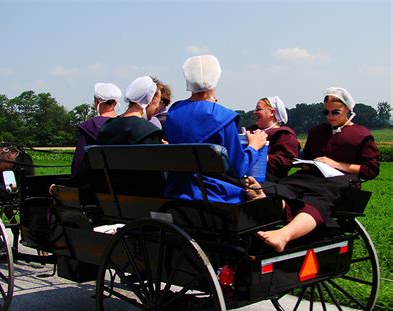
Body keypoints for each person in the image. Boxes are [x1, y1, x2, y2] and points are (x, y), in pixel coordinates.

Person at [246, 87, 380, 252]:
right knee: (285, 186)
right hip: (312, 176)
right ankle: (265, 197)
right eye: (326, 112)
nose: (330, 117)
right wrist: (306, 164)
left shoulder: (361, 135)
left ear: (347, 109)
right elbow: (307, 157)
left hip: (341, 181)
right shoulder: (317, 132)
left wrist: (336, 164)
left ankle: (284, 235)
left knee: (320, 197)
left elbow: (371, 170)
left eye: (335, 112)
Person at [163, 54, 267, 203]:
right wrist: (254, 147)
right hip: (216, 196)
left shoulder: (174, 112)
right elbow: (237, 168)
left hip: (177, 191)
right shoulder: (223, 116)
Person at [96, 76, 165, 145]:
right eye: (158, 102)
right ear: (150, 100)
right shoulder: (151, 133)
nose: (158, 107)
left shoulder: (106, 127)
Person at [70, 82, 122, 173]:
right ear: (115, 103)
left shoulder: (88, 127)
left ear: (97, 101)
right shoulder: (125, 126)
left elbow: (78, 165)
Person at [249, 96, 300, 180]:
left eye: (258, 109)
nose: (255, 112)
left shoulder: (284, 135)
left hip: (269, 179)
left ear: (272, 112)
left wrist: (259, 157)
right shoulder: (249, 130)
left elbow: (286, 161)